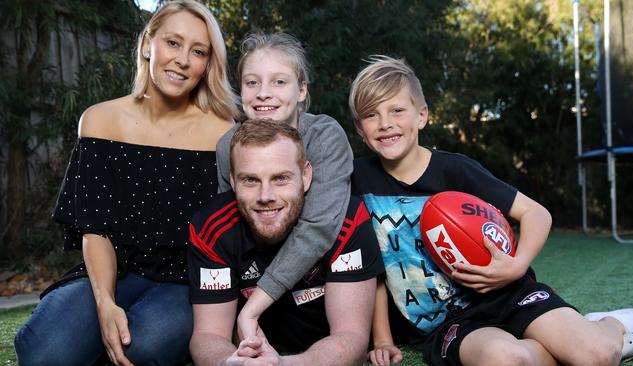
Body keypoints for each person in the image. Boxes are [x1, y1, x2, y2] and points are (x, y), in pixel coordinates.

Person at [348, 55, 633, 366]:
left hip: (509, 293)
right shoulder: (357, 178)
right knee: (505, 359)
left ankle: (612, 327)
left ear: (422, 115)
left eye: (397, 110)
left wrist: (517, 266)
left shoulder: (456, 171)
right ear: (359, 128)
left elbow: (537, 214)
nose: (385, 123)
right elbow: (374, 270)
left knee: (598, 354)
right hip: (450, 322)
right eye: (371, 115)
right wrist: (382, 339)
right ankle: (553, 345)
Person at [14, 1, 238, 365]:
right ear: (148, 44)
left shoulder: (222, 133)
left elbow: (227, 235)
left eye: (198, 51)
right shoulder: (101, 120)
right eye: (173, 42)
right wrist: (104, 303)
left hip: (182, 282)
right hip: (110, 271)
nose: (182, 59)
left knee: (141, 349)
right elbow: (94, 229)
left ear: (207, 65)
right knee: (46, 353)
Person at [188, 119, 384, 365]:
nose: (266, 197)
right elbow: (208, 335)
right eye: (250, 180)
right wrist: (229, 362)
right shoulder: (212, 226)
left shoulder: (347, 219)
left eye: (280, 178)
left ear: (306, 175)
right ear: (233, 181)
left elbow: (351, 336)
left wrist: (284, 364)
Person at [214, 32, 354, 339]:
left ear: (301, 89)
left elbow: (318, 226)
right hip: (254, 280)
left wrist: (252, 310)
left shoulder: (324, 136)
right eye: (252, 82)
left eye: (279, 82)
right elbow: (232, 230)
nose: (264, 93)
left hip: (319, 287)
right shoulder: (228, 146)